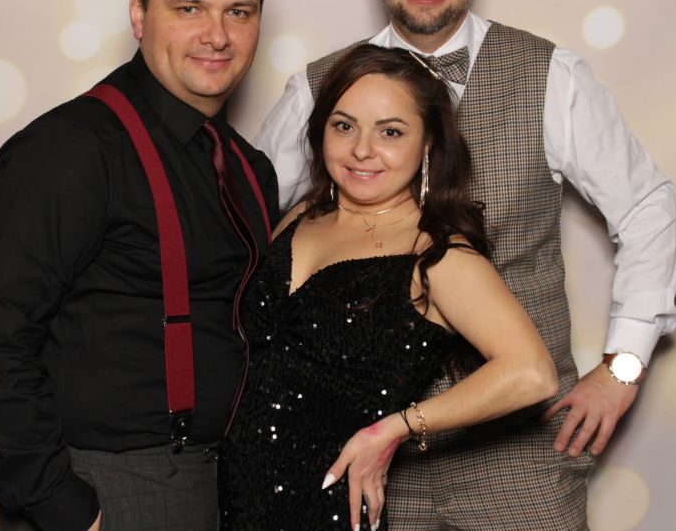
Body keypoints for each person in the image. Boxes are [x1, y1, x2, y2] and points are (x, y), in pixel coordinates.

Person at [255, 0, 676, 530]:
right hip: (365, 459)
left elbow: (646, 207)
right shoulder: (321, 88)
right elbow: (248, 227)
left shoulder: (550, 76)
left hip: (518, 454)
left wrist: (623, 366)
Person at [0, 0, 278, 531]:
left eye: (239, 11)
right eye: (189, 8)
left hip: (223, 484)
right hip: (106, 486)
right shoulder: (70, 149)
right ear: (138, 13)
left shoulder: (249, 168)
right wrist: (65, 510)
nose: (217, 35)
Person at [218, 44, 558, 531]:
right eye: (344, 126)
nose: (361, 150)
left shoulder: (437, 254)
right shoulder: (300, 217)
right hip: (229, 493)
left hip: (322, 504)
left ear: (428, 143)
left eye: (390, 132)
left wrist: (396, 428)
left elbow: (532, 373)